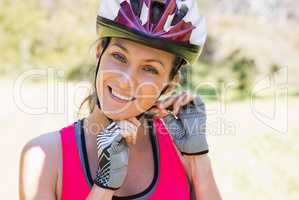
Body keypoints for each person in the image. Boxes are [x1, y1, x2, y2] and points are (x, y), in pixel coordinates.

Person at [19, 0, 222, 199]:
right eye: (119, 57)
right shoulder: (44, 157)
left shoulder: (181, 150)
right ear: (100, 53)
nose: (126, 81)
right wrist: (104, 186)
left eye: (150, 69)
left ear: (169, 85)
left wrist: (198, 159)